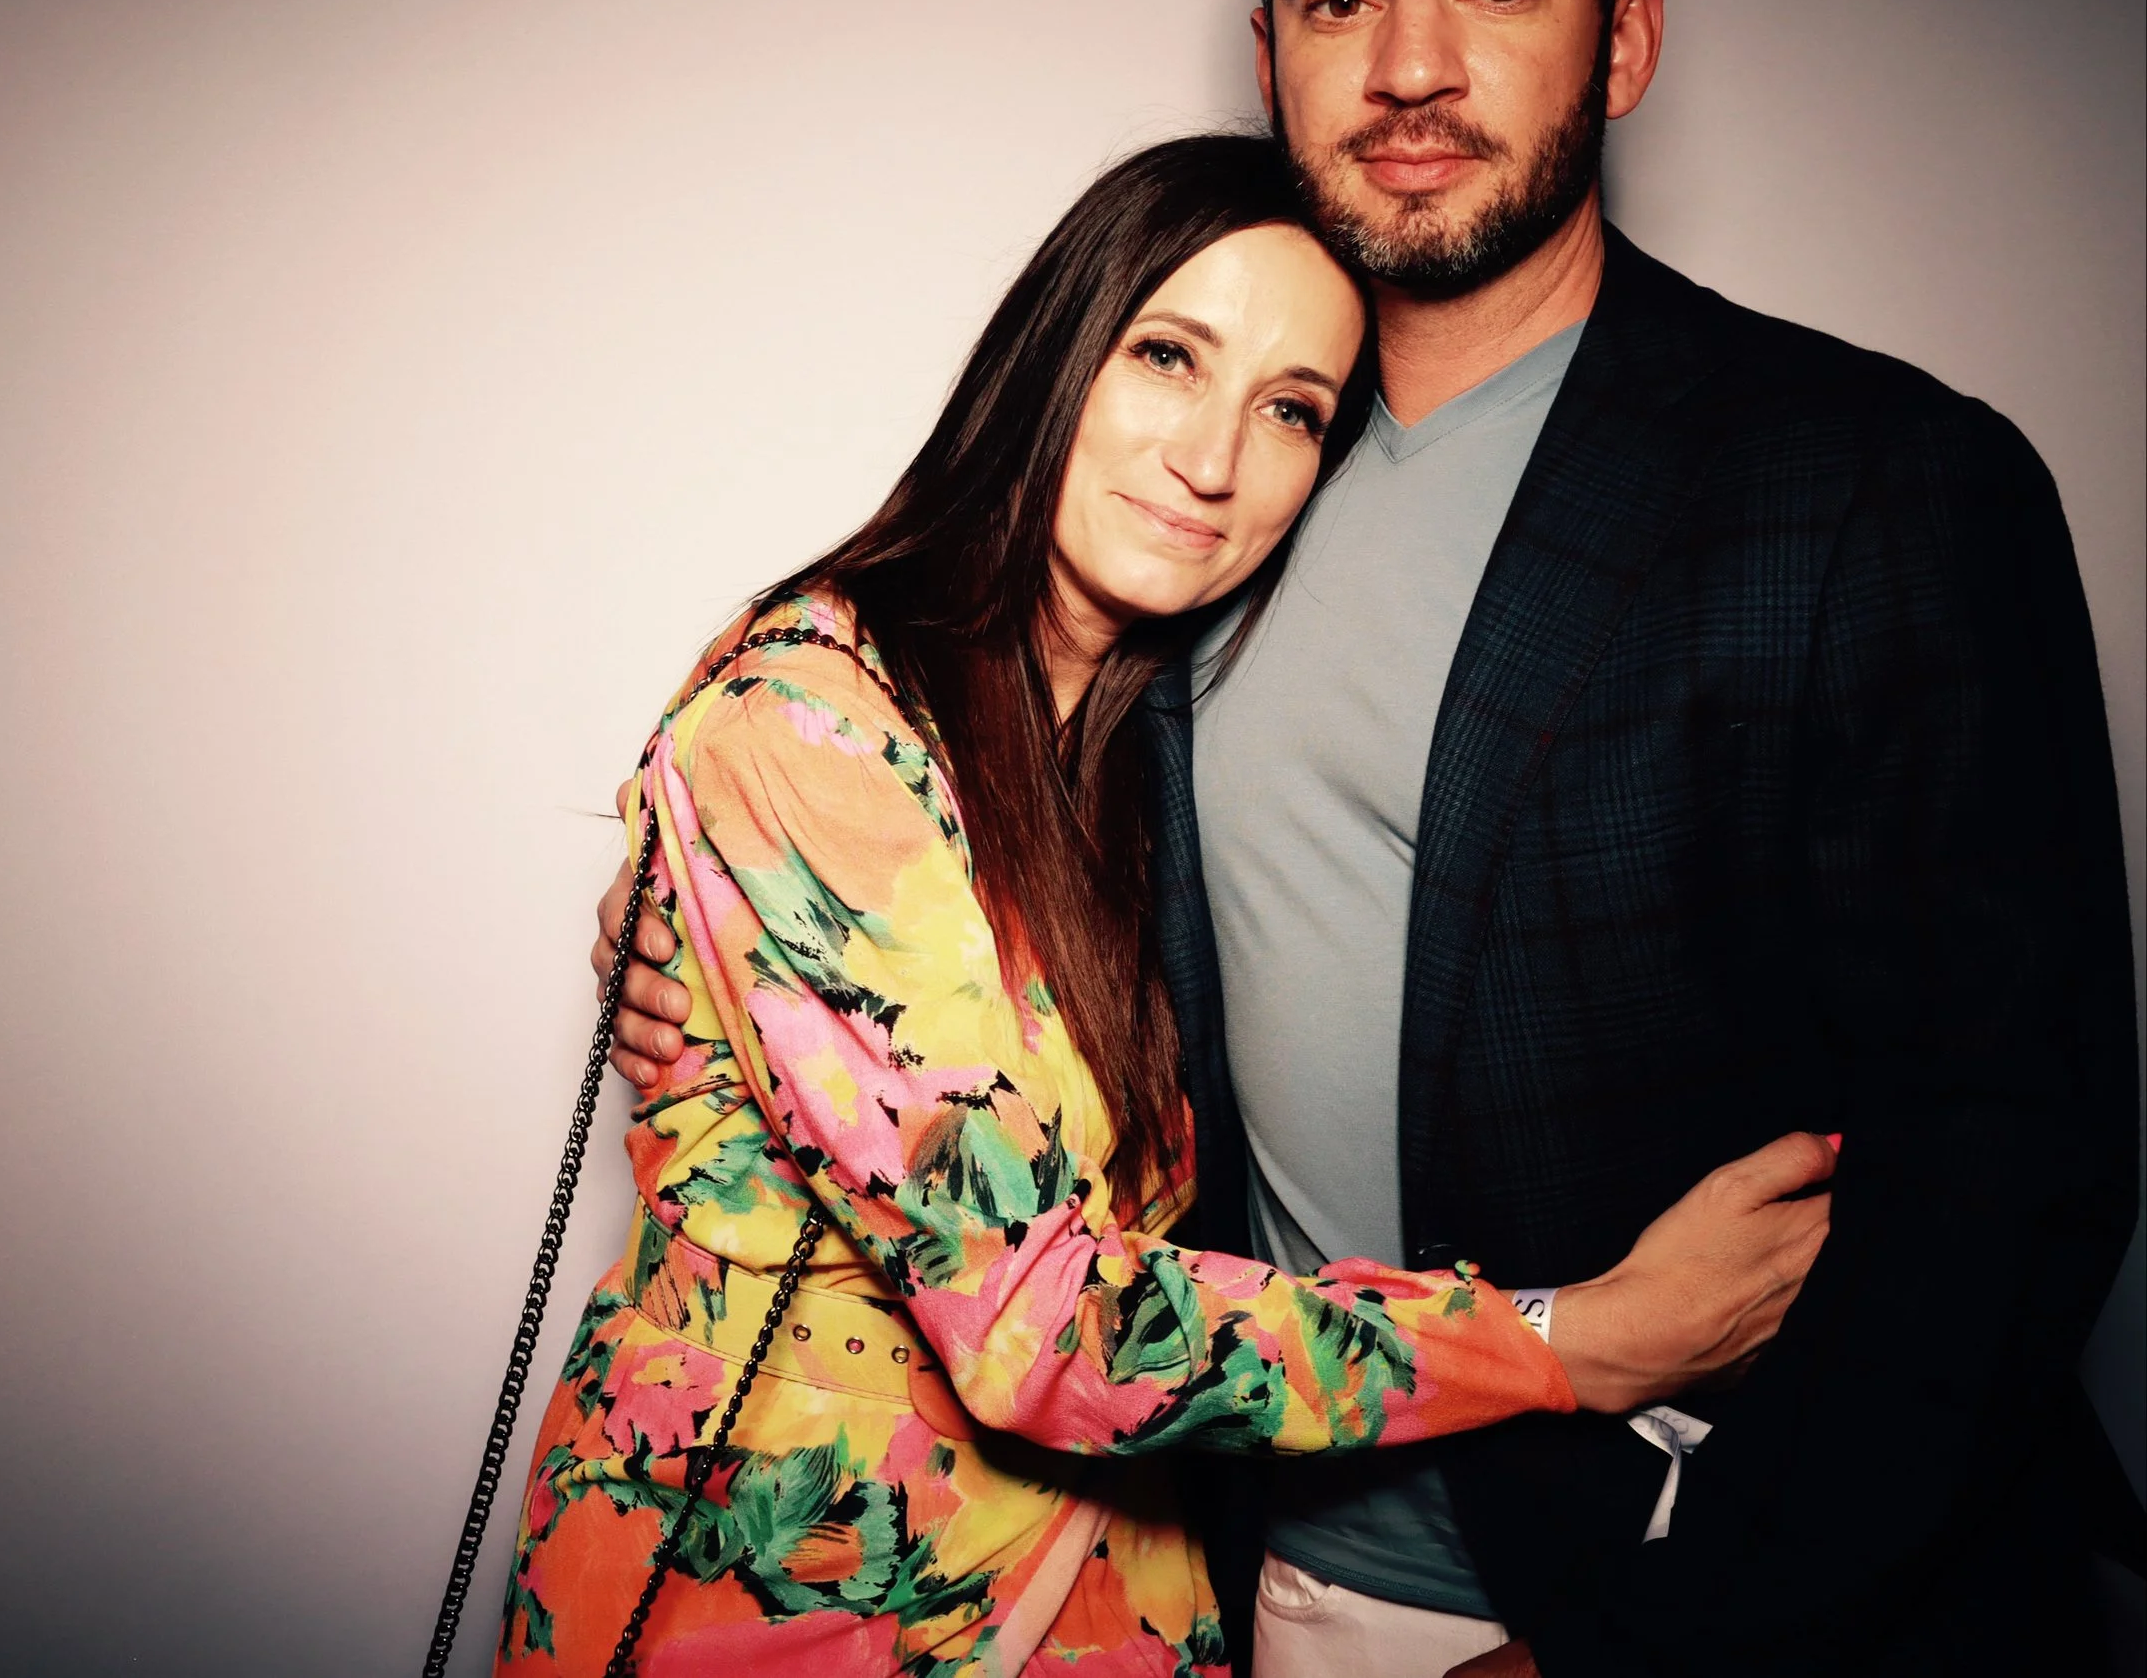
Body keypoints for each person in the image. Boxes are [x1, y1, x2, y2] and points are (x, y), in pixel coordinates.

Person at [603, 0, 2141, 1676]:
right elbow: (973, 925)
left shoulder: (1880, 483)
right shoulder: (1190, 526)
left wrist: (1654, 1640)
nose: (1413, 66)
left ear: (1625, 34)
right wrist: (712, 950)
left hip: (1692, 1590)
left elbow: (2007, 1172)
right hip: (1244, 1575)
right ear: (1270, 56)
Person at [505, 135, 1835, 1678]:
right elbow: (1041, 1327)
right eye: (1168, 356)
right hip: (784, 1616)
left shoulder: (1156, 745)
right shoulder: (811, 722)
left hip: (1104, 1603)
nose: (1214, 458)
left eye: (1291, 410)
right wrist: (1577, 1337)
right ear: (1056, 350)